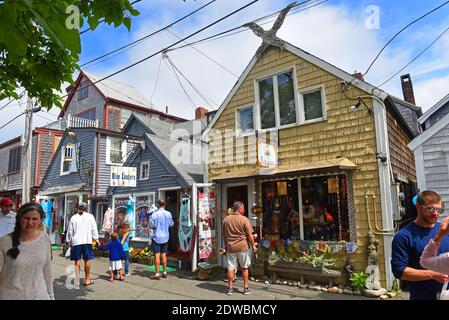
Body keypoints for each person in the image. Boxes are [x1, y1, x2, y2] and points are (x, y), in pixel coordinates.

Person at [391, 190, 449, 300]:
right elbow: (399, 271)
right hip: (423, 296)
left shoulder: (445, 230)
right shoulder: (404, 236)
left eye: (438, 209)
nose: (435, 213)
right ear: (418, 207)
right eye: (430, 209)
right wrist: (433, 274)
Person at [0, 202, 54, 300]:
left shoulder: (45, 239)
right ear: (19, 218)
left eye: (34, 219)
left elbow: (47, 271)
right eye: (26, 218)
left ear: (41, 220)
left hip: (40, 296)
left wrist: (51, 296)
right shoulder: (4, 242)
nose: (30, 223)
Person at [222, 201, 257, 295]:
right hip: (242, 247)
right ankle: (246, 288)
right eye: (243, 208)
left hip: (231, 247)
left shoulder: (226, 220)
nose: (244, 210)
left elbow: (224, 236)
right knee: (244, 267)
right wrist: (253, 245)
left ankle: (230, 288)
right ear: (240, 209)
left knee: (230, 268)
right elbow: (250, 235)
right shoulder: (244, 219)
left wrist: (226, 246)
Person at [66, 202, 99, 287]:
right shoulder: (90, 216)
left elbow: (70, 231)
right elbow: (94, 228)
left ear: (78, 208)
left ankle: (77, 280)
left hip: (76, 242)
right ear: (86, 208)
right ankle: (87, 279)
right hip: (87, 241)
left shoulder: (73, 217)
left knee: (77, 261)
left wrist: (69, 240)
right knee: (87, 260)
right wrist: (96, 238)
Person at [149, 199, 174, 280]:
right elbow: (171, 224)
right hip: (165, 236)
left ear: (157, 205)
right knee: (164, 254)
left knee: (157, 255)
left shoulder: (154, 214)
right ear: (164, 204)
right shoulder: (168, 213)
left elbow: (151, 225)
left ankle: (157, 274)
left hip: (157, 237)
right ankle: (165, 272)